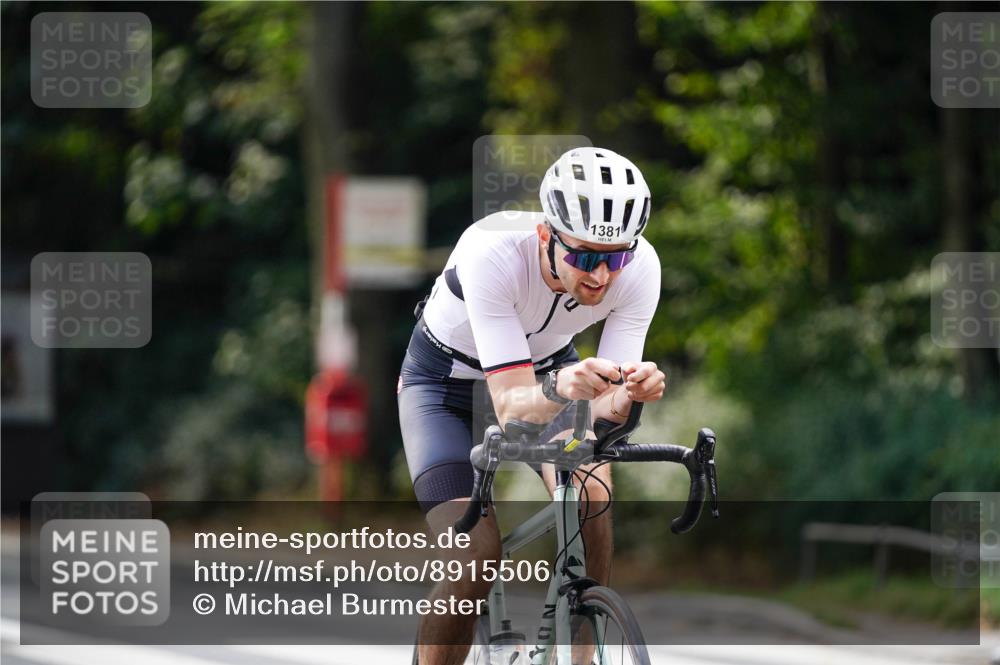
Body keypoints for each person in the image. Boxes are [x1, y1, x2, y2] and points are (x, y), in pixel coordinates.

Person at [398, 147, 667, 664]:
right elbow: (513, 409)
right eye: (586, 257)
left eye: (615, 258)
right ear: (547, 235)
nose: (602, 276)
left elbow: (603, 414)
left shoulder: (641, 267)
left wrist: (631, 393)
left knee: (593, 497)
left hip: (547, 374)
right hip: (444, 387)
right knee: (474, 556)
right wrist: (565, 388)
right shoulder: (491, 251)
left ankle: (583, 657)